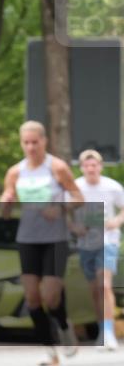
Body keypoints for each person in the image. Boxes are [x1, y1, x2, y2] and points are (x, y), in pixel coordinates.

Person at [0, 121, 84, 365]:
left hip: (55, 239)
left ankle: (64, 325)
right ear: (21, 144)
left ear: (44, 141)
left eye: (35, 142)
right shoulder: (15, 172)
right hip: (27, 239)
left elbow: (78, 197)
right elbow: (6, 210)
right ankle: (50, 351)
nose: (31, 147)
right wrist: (5, 203)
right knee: (32, 299)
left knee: (51, 296)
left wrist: (60, 207)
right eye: (26, 143)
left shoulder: (56, 168)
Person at [70, 149, 124, 350]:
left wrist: (116, 221)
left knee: (104, 284)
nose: (91, 168)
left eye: (94, 165)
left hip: (107, 240)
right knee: (95, 290)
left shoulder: (112, 187)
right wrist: (75, 228)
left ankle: (109, 333)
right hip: (86, 243)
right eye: (87, 165)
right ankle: (103, 328)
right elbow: (65, 214)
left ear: (100, 167)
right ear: (82, 167)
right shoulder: (75, 188)